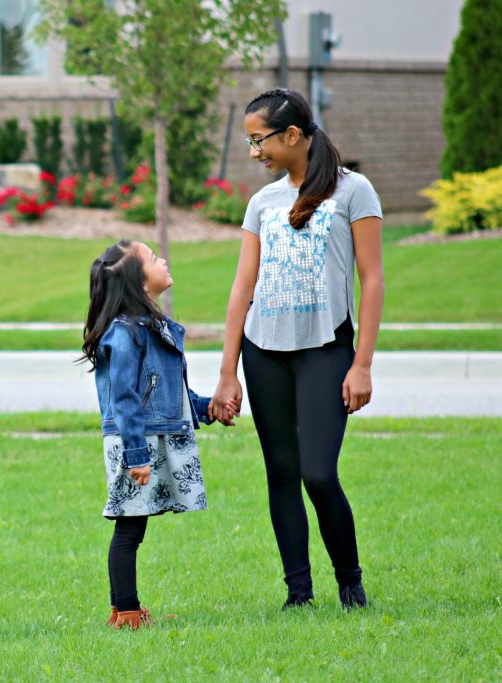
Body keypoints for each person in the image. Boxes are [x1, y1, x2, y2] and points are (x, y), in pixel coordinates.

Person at [211, 88, 385, 610]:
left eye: (258, 139)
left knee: (318, 473)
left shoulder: (354, 191)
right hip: (263, 351)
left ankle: (350, 583)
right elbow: (243, 288)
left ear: (292, 135)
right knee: (282, 472)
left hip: (326, 351)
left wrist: (362, 364)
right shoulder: (262, 202)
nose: (253, 151)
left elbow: (372, 280)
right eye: (248, 141)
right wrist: (227, 372)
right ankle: (298, 594)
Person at [79, 240, 236, 630]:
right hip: (137, 442)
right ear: (138, 280)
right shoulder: (124, 334)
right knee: (129, 526)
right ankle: (126, 613)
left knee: (135, 525)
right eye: (152, 258)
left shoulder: (150, 327)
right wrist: (136, 454)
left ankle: (125, 610)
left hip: (150, 437)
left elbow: (169, 393)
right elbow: (126, 399)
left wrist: (207, 409)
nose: (162, 259)